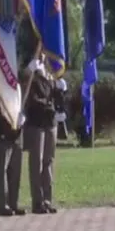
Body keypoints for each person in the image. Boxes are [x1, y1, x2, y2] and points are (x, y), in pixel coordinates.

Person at [22, 53, 68, 214]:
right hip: (37, 123)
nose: (44, 57)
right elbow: (32, 99)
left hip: (50, 123)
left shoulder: (50, 76)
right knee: (37, 162)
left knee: (48, 161)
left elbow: (56, 97)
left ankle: (47, 199)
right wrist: (51, 109)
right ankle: (37, 201)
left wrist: (62, 92)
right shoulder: (32, 76)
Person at [0, 88, 26, 217]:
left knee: (15, 170)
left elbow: (19, 101)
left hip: (16, 132)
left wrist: (22, 115)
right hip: (1, 130)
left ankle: (13, 203)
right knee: (1, 171)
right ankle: (3, 204)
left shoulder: (15, 84)